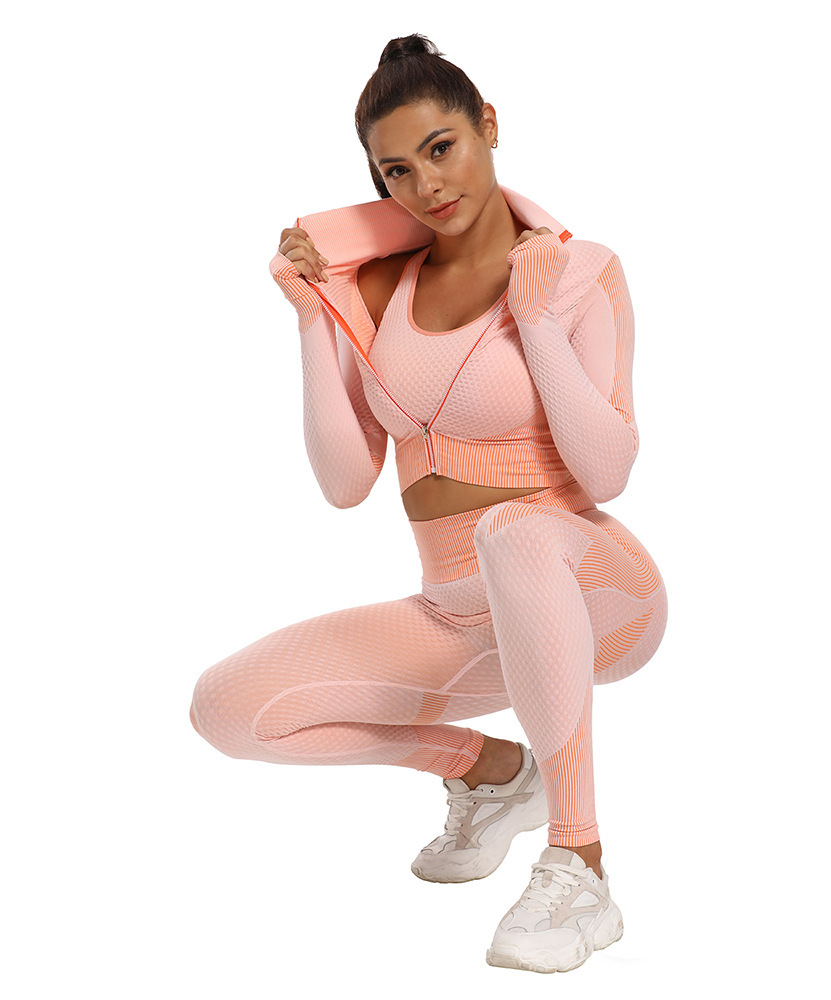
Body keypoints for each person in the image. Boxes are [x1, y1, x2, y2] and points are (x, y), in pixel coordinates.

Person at [189, 33, 668, 974]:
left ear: (487, 125)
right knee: (228, 708)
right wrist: (314, 314)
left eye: (441, 147)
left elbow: (609, 470)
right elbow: (345, 484)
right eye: (396, 170)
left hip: (599, 594)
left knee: (514, 531)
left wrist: (535, 320)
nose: (426, 185)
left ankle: (580, 861)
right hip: (461, 613)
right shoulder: (382, 287)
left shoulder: (580, 271)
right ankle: (490, 773)